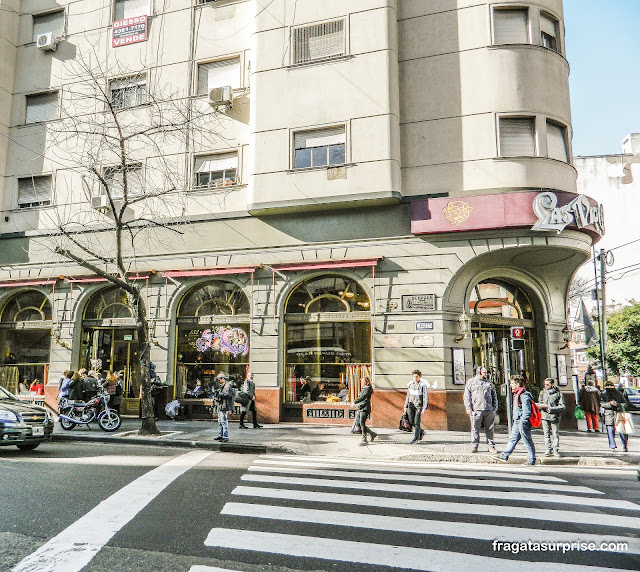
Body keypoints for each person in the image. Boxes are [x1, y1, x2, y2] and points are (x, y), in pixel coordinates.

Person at [495, 374, 536, 465]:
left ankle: (531, 459)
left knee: (527, 440)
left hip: (522, 422)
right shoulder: (517, 394)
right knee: (512, 439)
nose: (511, 385)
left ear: (518, 384)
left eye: (512, 383)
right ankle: (504, 455)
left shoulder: (523, 396)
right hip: (517, 421)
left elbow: (527, 411)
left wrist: (523, 421)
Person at [463, 366, 498, 453]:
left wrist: (494, 407)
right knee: (475, 428)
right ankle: (474, 445)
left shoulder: (489, 383)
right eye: (484, 372)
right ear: (479, 372)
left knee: (489, 429)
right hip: (476, 409)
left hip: (488, 409)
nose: (486, 374)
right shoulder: (471, 382)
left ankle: (491, 446)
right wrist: (468, 408)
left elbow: (494, 395)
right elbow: (466, 396)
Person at [537, 377, 566, 457]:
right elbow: (540, 402)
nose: (546, 386)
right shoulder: (542, 393)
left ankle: (555, 449)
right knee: (546, 434)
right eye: (545, 384)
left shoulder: (558, 394)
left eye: (547, 384)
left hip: (554, 416)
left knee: (555, 434)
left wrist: (552, 409)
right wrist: (540, 406)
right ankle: (548, 449)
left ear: (552, 384)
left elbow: (562, 406)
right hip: (544, 415)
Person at [601, 381, 629, 452]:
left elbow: (625, 403)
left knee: (621, 431)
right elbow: (601, 404)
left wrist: (616, 404)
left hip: (617, 413)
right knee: (612, 431)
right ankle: (614, 446)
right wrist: (610, 404)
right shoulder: (603, 394)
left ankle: (623, 446)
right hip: (610, 413)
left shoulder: (618, 393)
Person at [404, 369, 429, 444]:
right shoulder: (410, 384)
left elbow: (425, 397)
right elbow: (408, 396)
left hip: (418, 406)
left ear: (420, 377)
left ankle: (416, 438)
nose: (415, 378)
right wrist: (405, 405)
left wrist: (424, 407)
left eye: (417, 376)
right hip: (411, 405)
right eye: (414, 376)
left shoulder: (422, 385)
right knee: (411, 421)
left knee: (417, 422)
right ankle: (421, 431)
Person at [352, 376, 377, 445]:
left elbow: (363, 398)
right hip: (361, 408)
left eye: (363, 381)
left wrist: (355, 402)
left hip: (364, 409)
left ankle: (364, 439)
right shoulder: (364, 389)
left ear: (367, 382)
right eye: (361, 381)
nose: (361, 382)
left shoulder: (368, 389)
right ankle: (372, 434)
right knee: (360, 424)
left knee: (362, 423)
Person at [214, 374, 235, 442]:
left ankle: (225, 436)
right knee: (220, 421)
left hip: (225, 405)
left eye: (219, 379)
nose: (219, 381)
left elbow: (228, 395)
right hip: (221, 405)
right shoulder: (221, 385)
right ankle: (221, 435)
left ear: (223, 379)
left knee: (224, 421)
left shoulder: (228, 386)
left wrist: (220, 394)